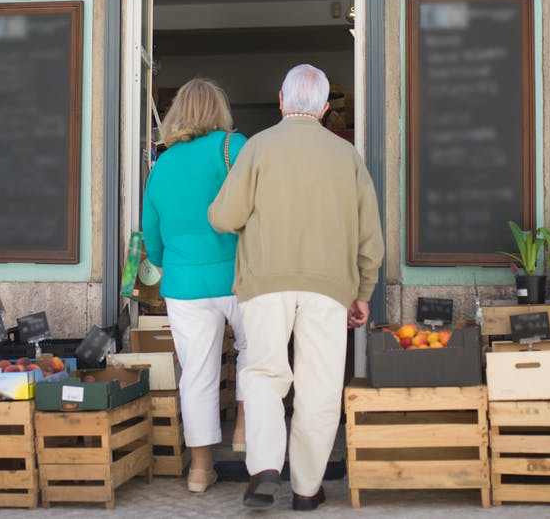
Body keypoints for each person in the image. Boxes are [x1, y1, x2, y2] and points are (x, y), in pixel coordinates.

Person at [209, 64, 383, 511]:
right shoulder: (348, 157)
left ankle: (266, 467)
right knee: (320, 386)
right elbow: (370, 236)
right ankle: (307, 489)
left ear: (281, 101)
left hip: (266, 283)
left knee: (266, 374)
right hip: (330, 289)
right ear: (325, 108)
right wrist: (363, 290)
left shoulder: (259, 147)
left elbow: (224, 217)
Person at [142, 77, 248, 494]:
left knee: (197, 373)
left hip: (184, 283)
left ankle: (201, 469)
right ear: (218, 111)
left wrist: (169, 263)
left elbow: (152, 231)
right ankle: (244, 429)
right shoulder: (234, 147)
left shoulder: (162, 164)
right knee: (254, 353)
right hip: (240, 274)